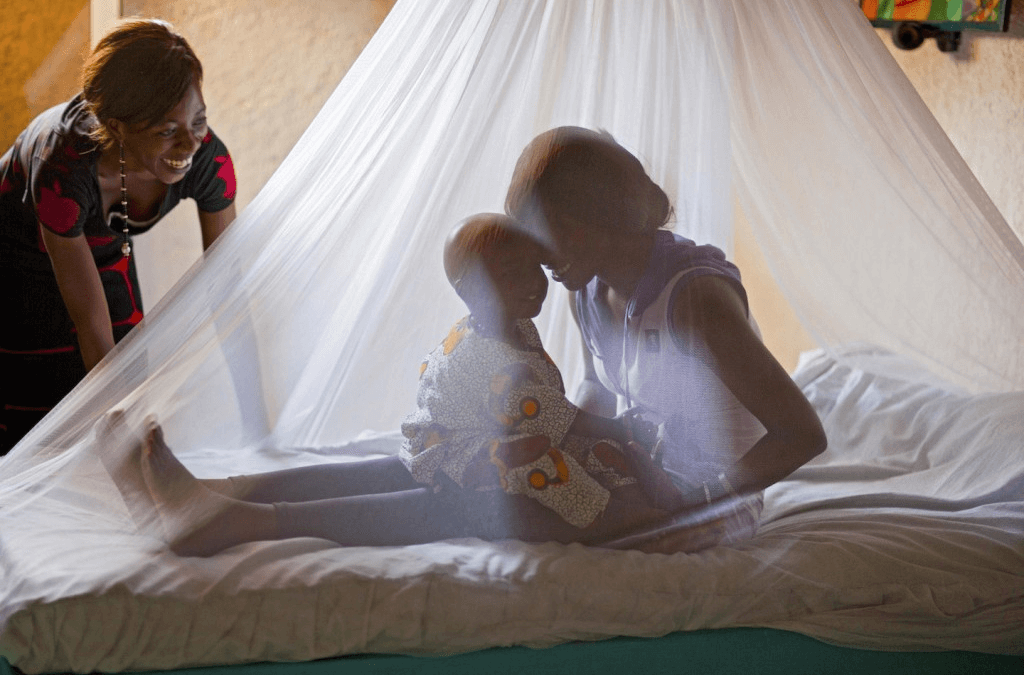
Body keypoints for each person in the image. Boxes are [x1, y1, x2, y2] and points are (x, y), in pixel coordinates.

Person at [104, 214, 680, 557]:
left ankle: (218, 489)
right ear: (471, 291)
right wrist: (608, 465)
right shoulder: (510, 362)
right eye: (513, 276)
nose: (534, 286)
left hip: (438, 449)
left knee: (377, 476)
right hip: (474, 466)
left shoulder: (489, 331)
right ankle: (229, 517)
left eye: (535, 269)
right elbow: (552, 433)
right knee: (420, 513)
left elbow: (545, 418)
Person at [504, 126, 827, 530]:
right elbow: (596, 386)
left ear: (599, 213)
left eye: (548, 230)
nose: (538, 253)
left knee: (513, 513)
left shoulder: (696, 302)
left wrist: (698, 504)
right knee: (499, 479)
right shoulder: (585, 291)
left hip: (714, 496)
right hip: (642, 474)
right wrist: (563, 436)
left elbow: (802, 433)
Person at [0, 19, 237, 455]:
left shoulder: (208, 161)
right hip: (10, 259)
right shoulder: (61, 167)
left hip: (92, 243)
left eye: (199, 119)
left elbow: (230, 296)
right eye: (167, 130)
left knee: (130, 370)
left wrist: (259, 426)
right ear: (118, 126)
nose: (189, 143)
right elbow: (93, 333)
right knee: (34, 414)